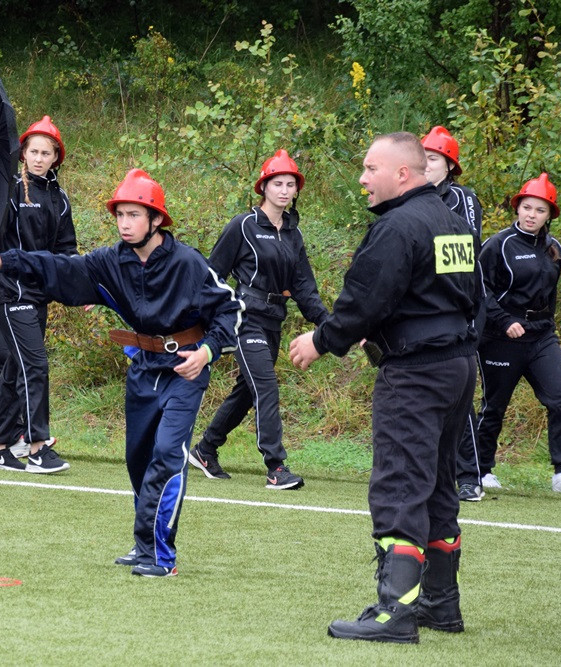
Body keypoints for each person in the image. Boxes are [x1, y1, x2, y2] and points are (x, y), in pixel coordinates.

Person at [0, 168, 243, 576]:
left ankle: (161, 556)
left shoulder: (188, 263)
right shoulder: (111, 261)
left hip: (185, 370)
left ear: (156, 220)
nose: (124, 223)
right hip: (142, 368)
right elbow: (56, 267)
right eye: (120, 214)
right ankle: (144, 545)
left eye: (134, 215)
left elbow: (231, 309)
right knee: (137, 459)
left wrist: (208, 352)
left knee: (166, 456)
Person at [289, 132, 478, 643]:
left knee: (399, 484)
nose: (362, 179)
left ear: (402, 173)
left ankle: (395, 611)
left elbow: (364, 302)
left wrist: (320, 341)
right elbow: (469, 296)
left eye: (371, 168)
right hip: (458, 364)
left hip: (415, 371)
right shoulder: (454, 222)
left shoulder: (398, 226)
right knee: (439, 483)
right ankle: (440, 605)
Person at [189, 149, 328, 490]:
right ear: (263, 187)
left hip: (274, 320)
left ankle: (206, 449)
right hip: (243, 319)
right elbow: (212, 275)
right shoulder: (243, 226)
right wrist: (207, 318)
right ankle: (276, 466)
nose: (284, 190)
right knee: (265, 385)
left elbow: (304, 288)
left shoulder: (294, 235)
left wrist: (330, 324)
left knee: (247, 391)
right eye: (277, 183)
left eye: (290, 184)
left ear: (296, 190)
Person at [476, 173, 561, 495]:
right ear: (517, 208)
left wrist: (547, 329)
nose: (531, 215)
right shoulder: (498, 245)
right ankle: (481, 469)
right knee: (494, 406)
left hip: (541, 337)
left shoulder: (555, 250)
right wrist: (501, 321)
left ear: (549, 215)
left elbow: (550, 297)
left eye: (539, 210)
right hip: (501, 338)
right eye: (526, 207)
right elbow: (478, 288)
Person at [0, 116, 76, 474]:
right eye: (32, 151)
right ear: (23, 154)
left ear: (55, 157)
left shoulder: (60, 198)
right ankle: (37, 447)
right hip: (9, 291)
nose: (38, 158)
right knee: (34, 364)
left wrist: (72, 285)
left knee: (12, 369)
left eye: (45, 152)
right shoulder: (9, 190)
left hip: (40, 295)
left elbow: (67, 250)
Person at [421, 125, 486, 502]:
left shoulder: (462, 198)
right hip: (424, 310)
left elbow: (465, 249)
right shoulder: (409, 198)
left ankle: (469, 475)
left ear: (449, 166)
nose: (427, 165)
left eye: (433, 159)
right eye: (423, 158)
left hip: (462, 305)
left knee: (460, 396)